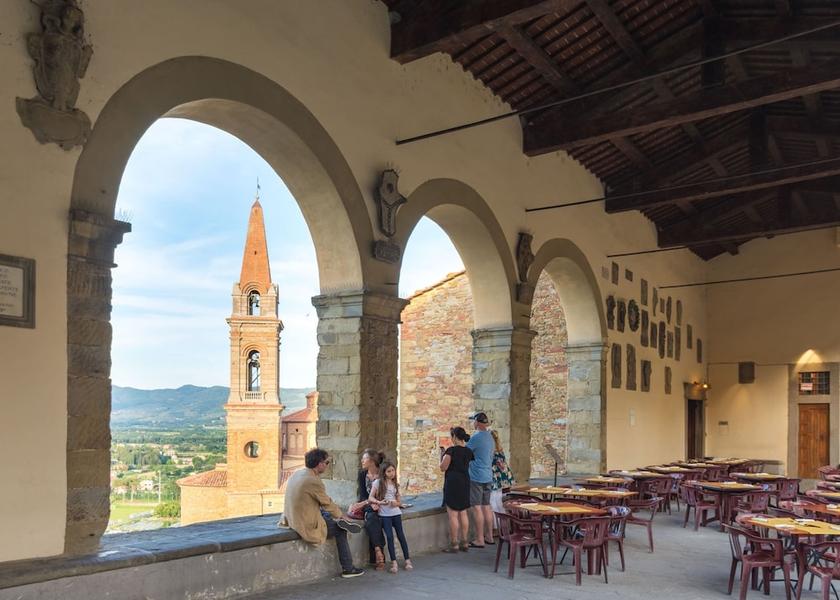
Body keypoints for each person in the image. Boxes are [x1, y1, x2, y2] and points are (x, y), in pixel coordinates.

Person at [282, 448, 365, 578]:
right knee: (340, 530)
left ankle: (334, 520)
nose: (327, 465)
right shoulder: (313, 481)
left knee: (326, 513)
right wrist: (342, 515)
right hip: (304, 523)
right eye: (326, 462)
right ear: (319, 463)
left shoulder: (298, 473)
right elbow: (327, 503)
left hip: (291, 518)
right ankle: (348, 569)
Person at [369, 461, 413, 573]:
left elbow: (399, 501)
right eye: (389, 471)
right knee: (389, 537)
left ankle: (407, 560)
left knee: (401, 536)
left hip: (396, 513)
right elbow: (371, 497)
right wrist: (379, 502)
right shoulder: (378, 483)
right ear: (384, 472)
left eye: (393, 470)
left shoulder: (395, 484)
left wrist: (396, 504)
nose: (392, 473)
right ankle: (394, 562)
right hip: (385, 515)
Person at [349, 449, 387, 570]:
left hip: (383, 504)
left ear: (371, 461)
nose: (362, 461)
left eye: (364, 459)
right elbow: (363, 496)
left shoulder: (383, 473)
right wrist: (370, 503)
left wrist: (378, 503)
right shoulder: (362, 474)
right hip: (369, 505)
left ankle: (377, 553)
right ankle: (378, 551)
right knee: (371, 516)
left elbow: (389, 492)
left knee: (371, 517)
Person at [440, 426, 474, 553]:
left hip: (453, 483)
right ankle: (464, 542)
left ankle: (454, 544)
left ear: (454, 437)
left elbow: (443, 467)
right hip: (465, 482)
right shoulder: (468, 451)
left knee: (453, 514)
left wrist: (442, 455)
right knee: (463, 512)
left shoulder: (451, 451)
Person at [466, 411, 494, 547]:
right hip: (488, 475)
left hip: (476, 476)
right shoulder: (490, 436)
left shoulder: (476, 437)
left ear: (477, 422)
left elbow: (466, 452)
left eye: (474, 421)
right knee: (486, 507)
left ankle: (479, 539)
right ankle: (490, 536)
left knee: (477, 508)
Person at [489, 430, 515, 522]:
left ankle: (497, 524)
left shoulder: (490, 451)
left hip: (494, 477)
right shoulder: (500, 450)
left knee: (493, 501)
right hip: (501, 478)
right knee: (498, 501)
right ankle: (503, 523)